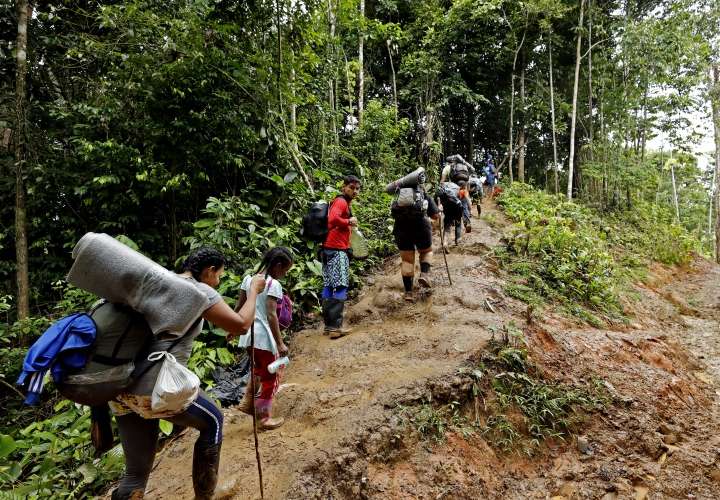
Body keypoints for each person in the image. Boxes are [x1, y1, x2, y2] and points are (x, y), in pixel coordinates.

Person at [109, 247, 266, 500]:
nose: (218, 281)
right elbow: (241, 324)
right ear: (208, 271)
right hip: (154, 387)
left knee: (135, 475)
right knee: (213, 421)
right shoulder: (199, 290)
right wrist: (254, 292)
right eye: (219, 276)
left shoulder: (161, 283)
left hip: (119, 388)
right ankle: (205, 496)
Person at [234, 247, 294, 430]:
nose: (284, 274)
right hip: (264, 338)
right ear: (277, 266)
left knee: (258, 369)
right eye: (284, 270)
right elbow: (271, 315)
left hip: (248, 336)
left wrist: (233, 329)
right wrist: (280, 343)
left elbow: (240, 306)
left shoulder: (248, 279)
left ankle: (247, 402)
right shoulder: (273, 284)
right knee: (271, 377)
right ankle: (264, 418)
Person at [390, 172, 440, 302]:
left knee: (407, 261)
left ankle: (408, 293)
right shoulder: (423, 194)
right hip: (421, 227)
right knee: (427, 251)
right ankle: (424, 274)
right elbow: (435, 216)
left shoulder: (398, 195)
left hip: (401, 229)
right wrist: (437, 213)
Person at [321, 175, 361, 338]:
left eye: (357, 188)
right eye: (352, 187)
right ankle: (336, 328)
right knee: (341, 286)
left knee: (329, 286)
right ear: (344, 187)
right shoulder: (341, 202)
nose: (355, 191)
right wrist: (349, 222)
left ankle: (328, 326)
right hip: (337, 250)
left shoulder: (340, 201)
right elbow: (333, 218)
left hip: (328, 248)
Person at [436, 182, 464, 252]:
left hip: (445, 204)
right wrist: (459, 216)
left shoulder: (441, 189)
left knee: (447, 224)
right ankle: (458, 240)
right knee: (458, 222)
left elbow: (435, 201)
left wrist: (438, 209)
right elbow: (459, 204)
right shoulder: (457, 188)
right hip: (454, 204)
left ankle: (445, 242)